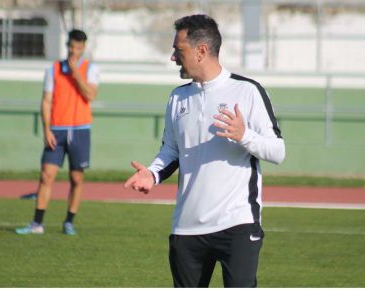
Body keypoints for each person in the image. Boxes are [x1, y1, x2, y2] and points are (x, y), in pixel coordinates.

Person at [124, 14, 285, 287]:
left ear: (201, 51)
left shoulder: (247, 91)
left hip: (237, 222)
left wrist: (244, 136)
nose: (173, 57)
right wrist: (151, 175)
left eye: (179, 49)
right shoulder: (177, 97)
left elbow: (278, 151)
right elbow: (171, 150)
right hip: (186, 228)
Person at [15, 29, 99, 235]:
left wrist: (75, 73)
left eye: (78, 47)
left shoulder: (91, 69)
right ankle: (37, 223)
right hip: (57, 130)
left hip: (80, 130)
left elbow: (90, 95)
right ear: (67, 45)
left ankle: (69, 222)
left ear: (83, 48)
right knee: (46, 176)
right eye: (71, 46)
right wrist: (46, 130)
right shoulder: (53, 70)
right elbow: (46, 101)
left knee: (76, 179)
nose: (73, 50)